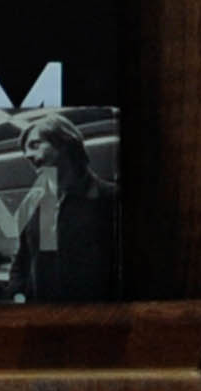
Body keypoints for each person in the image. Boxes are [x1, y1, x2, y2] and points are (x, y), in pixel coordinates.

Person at [7, 110, 122, 302]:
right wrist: (18, 295)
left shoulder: (111, 197)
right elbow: (22, 259)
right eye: (25, 150)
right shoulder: (32, 203)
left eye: (35, 145)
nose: (27, 155)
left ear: (65, 143)